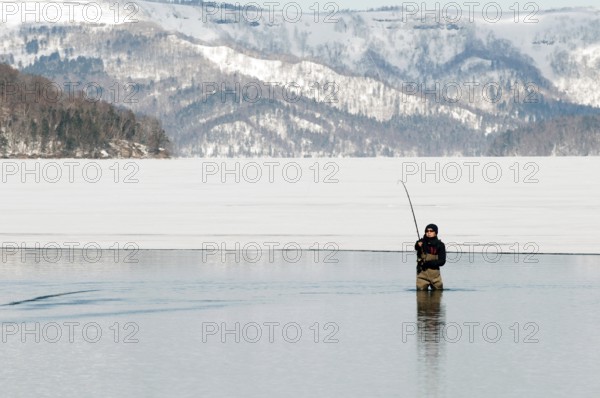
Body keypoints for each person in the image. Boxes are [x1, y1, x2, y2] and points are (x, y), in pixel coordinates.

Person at [414, 224, 446, 290]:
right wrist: (418, 245)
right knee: (421, 296)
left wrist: (429, 263)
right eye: (427, 231)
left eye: (431, 231)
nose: (429, 232)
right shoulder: (421, 242)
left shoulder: (440, 245)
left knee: (438, 293)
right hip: (422, 275)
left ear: (436, 232)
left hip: (435, 276)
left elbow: (442, 261)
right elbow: (416, 247)